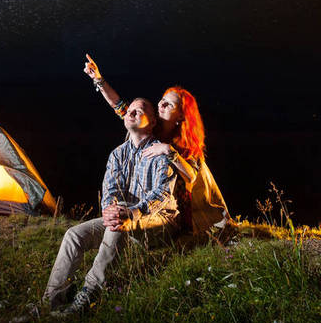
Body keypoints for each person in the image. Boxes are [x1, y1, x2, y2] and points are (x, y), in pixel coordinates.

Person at [42, 97, 181, 315]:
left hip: (159, 220)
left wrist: (131, 212)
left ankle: (87, 296)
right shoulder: (117, 154)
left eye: (140, 110)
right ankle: (51, 301)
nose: (132, 112)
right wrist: (110, 210)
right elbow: (110, 192)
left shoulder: (160, 151)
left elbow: (162, 195)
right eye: (130, 110)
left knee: (119, 224)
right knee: (73, 235)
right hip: (123, 217)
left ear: (153, 122)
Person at [83, 54, 229, 236]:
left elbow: (191, 177)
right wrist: (98, 79)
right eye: (162, 99)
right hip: (142, 198)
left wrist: (169, 151)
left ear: (181, 116)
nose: (161, 103)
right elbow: (119, 106)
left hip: (171, 202)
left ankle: (181, 229)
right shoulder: (150, 125)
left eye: (169, 104)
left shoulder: (184, 143)